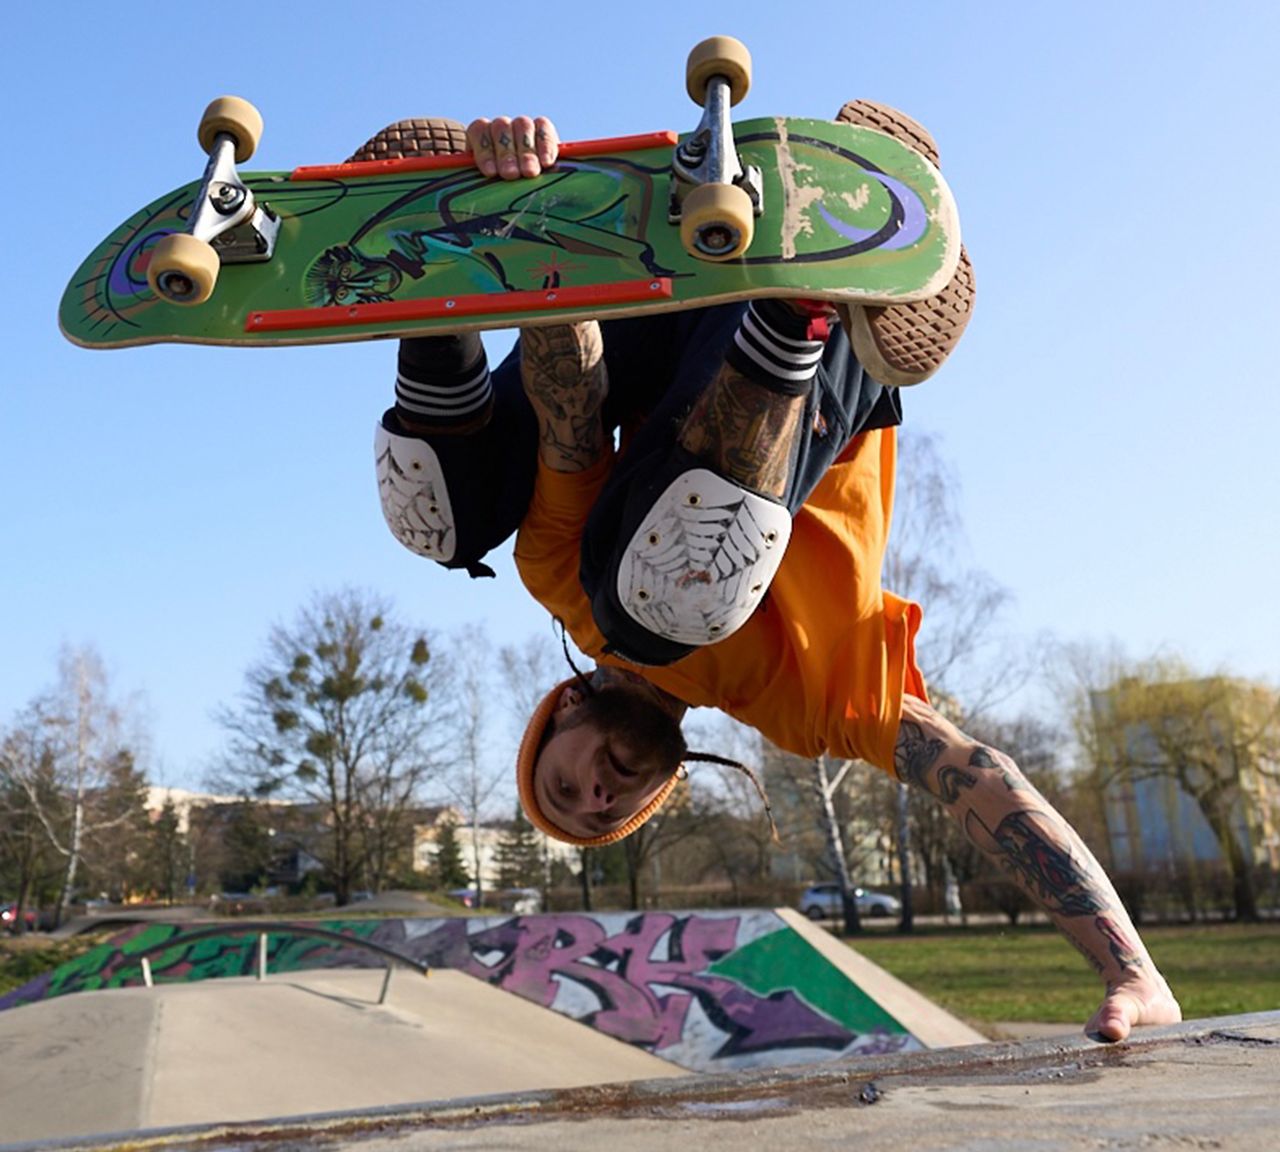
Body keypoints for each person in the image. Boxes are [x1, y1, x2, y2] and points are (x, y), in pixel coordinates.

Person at [365, 109, 1182, 1042]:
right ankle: (815, 294)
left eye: (566, 789)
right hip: (815, 353)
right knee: (670, 599)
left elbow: (573, 416)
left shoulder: (554, 579)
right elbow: (975, 780)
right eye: (608, 814)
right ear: (657, 795)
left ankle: (437, 254)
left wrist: (533, 243)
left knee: (443, 522)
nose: (598, 796)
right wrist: (1134, 970)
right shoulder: (803, 702)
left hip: (645, 298)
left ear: (564, 711)